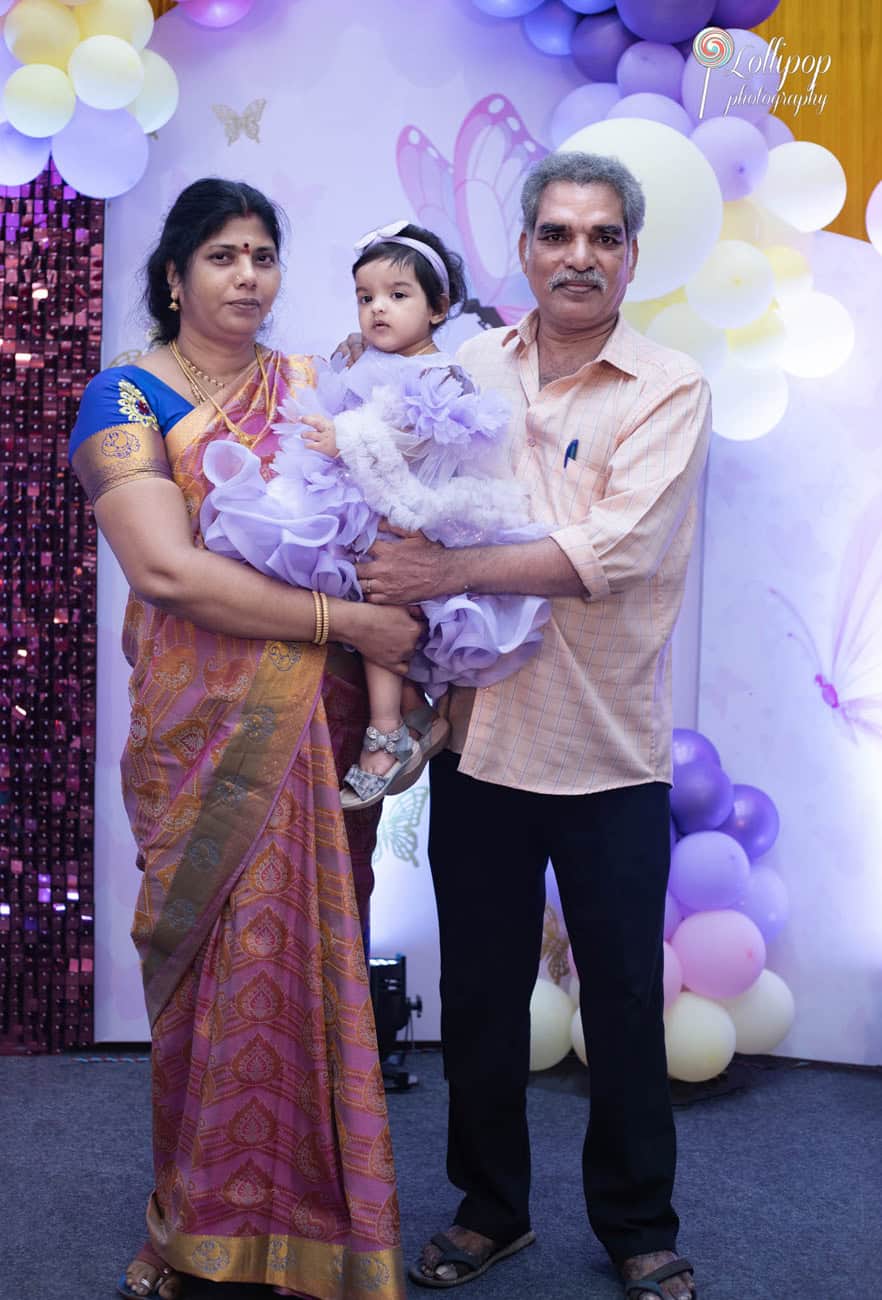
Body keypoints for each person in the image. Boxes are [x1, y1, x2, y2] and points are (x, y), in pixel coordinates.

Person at [348, 153, 711, 1300]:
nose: (579, 256)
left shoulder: (667, 386)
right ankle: (490, 1209)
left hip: (611, 754)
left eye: (604, 238)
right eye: (557, 234)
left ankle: (637, 1224)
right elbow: (395, 473)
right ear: (524, 248)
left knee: (624, 1005)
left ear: (631, 258)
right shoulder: (466, 367)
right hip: (483, 743)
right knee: (482, 1006)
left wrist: (441, 564)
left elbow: (615, 552)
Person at [69, 179, 418, 1300]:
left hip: (320, 726)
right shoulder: (120, 397)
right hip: (203, 734)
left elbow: (378, 518)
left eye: (263, 255)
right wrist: (345, 621)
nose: (247, 277)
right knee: (213, 982)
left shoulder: (313, 386)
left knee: (312, 972)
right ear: (174, 275)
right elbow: (168, 571)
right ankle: (195, 1225)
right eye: (222, 256)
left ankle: (319, 1229)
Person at [199, 220, 549, 809]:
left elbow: (414, 441)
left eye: (397, 296)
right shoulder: (374, 358)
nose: (378, 309)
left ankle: (386, 732)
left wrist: (347, 437)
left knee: (375, 595)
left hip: (409, 512)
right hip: (362, 502)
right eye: (366, 298)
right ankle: (411, 712)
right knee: (340, 588)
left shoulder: (439, 374)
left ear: (438, 308)